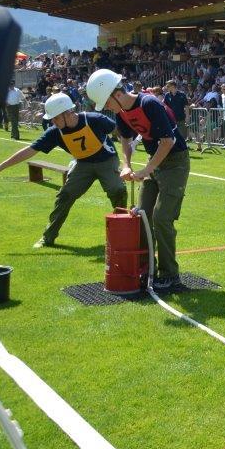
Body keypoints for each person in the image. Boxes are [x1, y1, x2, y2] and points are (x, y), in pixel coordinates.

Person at [86, 68, 190, 291]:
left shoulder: (148, 103)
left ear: (117, 94)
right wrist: (127, 164)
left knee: (162, 218)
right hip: (156, 161)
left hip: (175, 163)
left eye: (107, 102)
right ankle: (146, 269)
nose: (107, 107)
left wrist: (146, 170)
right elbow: (125, 139)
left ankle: (170, 275)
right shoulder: (121, 111)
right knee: (141, 215)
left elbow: (168, 141)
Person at [0, 92, 127, 248]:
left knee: (117, 190)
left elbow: (121, 132)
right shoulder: (55, 132)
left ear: (67, 113)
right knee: (65, 196)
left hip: (107, 161)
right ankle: (48, 237)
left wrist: (127, 162)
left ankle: (124, 233)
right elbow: (29, 150)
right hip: (83, 165)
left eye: (55, 118)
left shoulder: (95, 119)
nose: (53, 122)